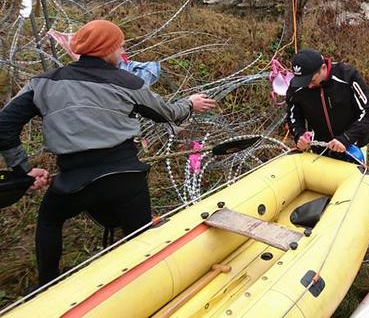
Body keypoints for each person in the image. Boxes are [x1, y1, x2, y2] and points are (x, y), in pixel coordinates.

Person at [0, 19, 215, 285]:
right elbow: (167, 114)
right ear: (108, 49)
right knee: (141, 236)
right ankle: (150, 286)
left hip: (73, 179)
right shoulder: (129, 82)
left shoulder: (43, 83)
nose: (122, 52)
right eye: (119, 47)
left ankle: (46, 285)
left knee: (49, 220)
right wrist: (190, 104)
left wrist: (23, 169)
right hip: (125, 177)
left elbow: (4, 125)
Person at [286, 48, 369, 162]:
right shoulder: (296, 86)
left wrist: (347, 138)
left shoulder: (347, 76)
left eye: (312, 80)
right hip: (320, 149)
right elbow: (293, 114)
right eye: (303, 82)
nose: (308, 86)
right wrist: (299, 135)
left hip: (353, 146)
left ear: (323, 68)